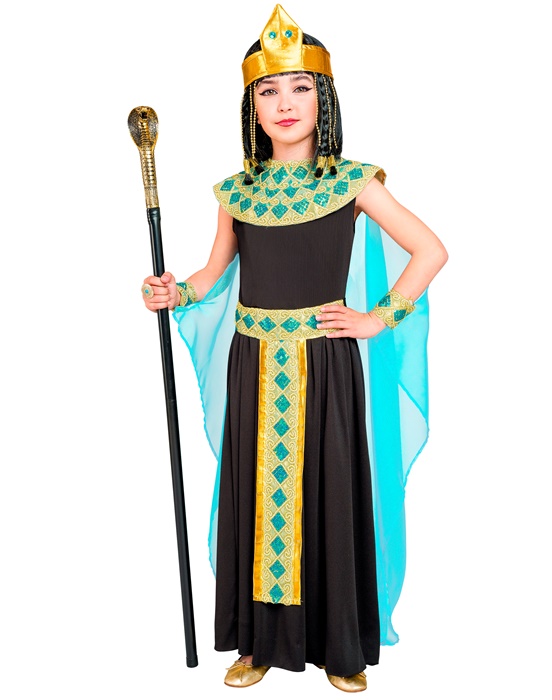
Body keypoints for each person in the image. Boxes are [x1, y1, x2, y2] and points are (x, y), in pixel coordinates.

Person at [141, 4, 448, 692]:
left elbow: (430, 250)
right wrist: (172, 293)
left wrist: (378, 318)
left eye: (300, 88)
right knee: (254, 496)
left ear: (323, 97)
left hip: (324, 364)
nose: (285, 104)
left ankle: (339, 647)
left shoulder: (352, 181)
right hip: (254, 364)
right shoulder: (238, 192)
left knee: (329, 493)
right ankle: (256, 643)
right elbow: (212, 274)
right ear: (251, 106)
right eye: (268, 91)